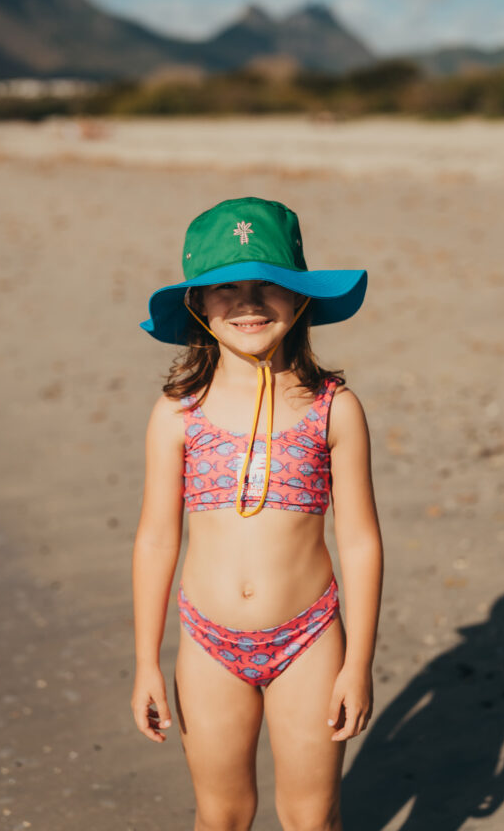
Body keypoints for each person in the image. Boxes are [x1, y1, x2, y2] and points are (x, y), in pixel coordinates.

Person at [131, 196, 383, 831]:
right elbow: (157, 541)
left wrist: (359, 663)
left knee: (311, 815)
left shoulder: (334, 408)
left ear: (299, 297)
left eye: (268, 284)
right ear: (198, 304)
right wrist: (145, 663)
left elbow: (358, 542)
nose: (247, 303)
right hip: (206, 642)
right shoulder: (176, 415)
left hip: (309, 637)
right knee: (221, 814)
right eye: (225, 288)